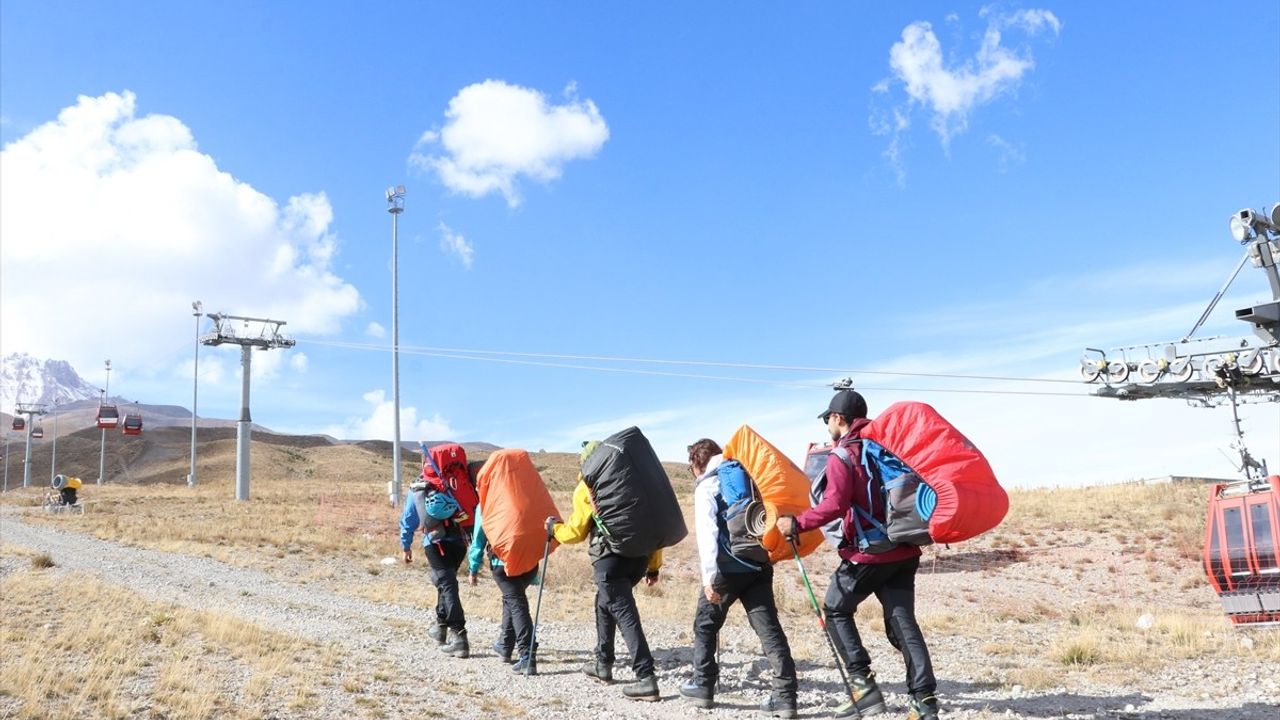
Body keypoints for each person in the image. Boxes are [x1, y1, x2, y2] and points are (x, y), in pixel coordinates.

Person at [775, 390, 939, 720]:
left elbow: (834, 505)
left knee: (835, 609)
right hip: (905, 548)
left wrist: (797, 523)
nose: (827, 426)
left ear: (838, 419)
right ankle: (924, 704)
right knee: (903, 622)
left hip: (870, 553)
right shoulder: (884, 447)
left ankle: (863, 689)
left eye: (828, 419)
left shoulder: (842, 455)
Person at [681, 439, 798, 718]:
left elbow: (708, 534)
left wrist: (708, 578)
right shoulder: (750, 477)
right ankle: (785, 698)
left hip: (726, 569)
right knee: (769, 629)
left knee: (705, 625)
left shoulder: (708, 485)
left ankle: (703, 685)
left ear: (697, 463)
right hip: (758, 566)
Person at [548, 440, 663, 702]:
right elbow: (653, 529)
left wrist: (554, 529)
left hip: (609, 560)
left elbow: (576, 532)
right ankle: (603, 663)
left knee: (623, 610)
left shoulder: (587, 486)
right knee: (604, 603)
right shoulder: (633, 483)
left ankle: (646, 678)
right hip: (639, 560)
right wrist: (654, 566)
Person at [400, 478, 470, 658]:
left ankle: (459, 635)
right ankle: (440, 627)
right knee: (445, 582)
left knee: (447, 584)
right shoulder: (457, 482)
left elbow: (409, 517)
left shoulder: (419, 488)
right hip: (460, 542)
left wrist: (406, 545)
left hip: (435, 542)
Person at [467, 503, 540, 673]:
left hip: (503, 564)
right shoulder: (522, 496)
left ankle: (527, 656)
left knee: (516, 604)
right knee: (512, 599)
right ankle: (505, 646)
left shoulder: (486, 502)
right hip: (529, 564)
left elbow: (479, 537)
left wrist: (473, 568)